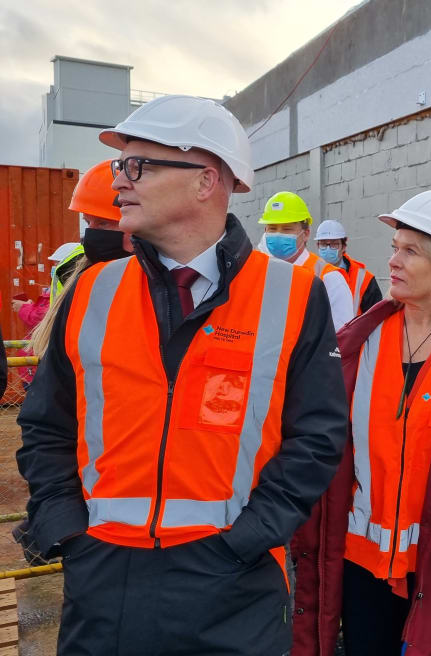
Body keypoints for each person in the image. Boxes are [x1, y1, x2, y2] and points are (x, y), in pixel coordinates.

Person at [15, 94, 348, 656]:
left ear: (206, 181)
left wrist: (247, 540)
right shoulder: (92, 292)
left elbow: (317, 438)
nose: (118, 180)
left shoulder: (293, 296)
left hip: (233, 589)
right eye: (122, 165)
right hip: (103, 584)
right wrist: (67, 531)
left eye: (137, 164)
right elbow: (46, 424)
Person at [291, 190, 431, 656]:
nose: (391, 261)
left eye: (409, 250)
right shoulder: (363, 337)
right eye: (395, 247)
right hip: (361, 557)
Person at [28, 159, 134, 357]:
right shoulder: (74, 268)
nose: (91, 233)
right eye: (87, 222)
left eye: (103, 223)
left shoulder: (164, 276)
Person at [258, 192, 356, 330]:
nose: (279, 234)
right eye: (272, 229)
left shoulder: (328, 278)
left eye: (287, 229)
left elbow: (341, 338)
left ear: (306, 234)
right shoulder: (259, 272)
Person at [315, 218, 382, 315]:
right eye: (323, 244)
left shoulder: (364, 279)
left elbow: (375, 318)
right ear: (318, 246)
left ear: (344, 246)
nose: (328, 248)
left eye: (334, 244)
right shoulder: (309, 271)